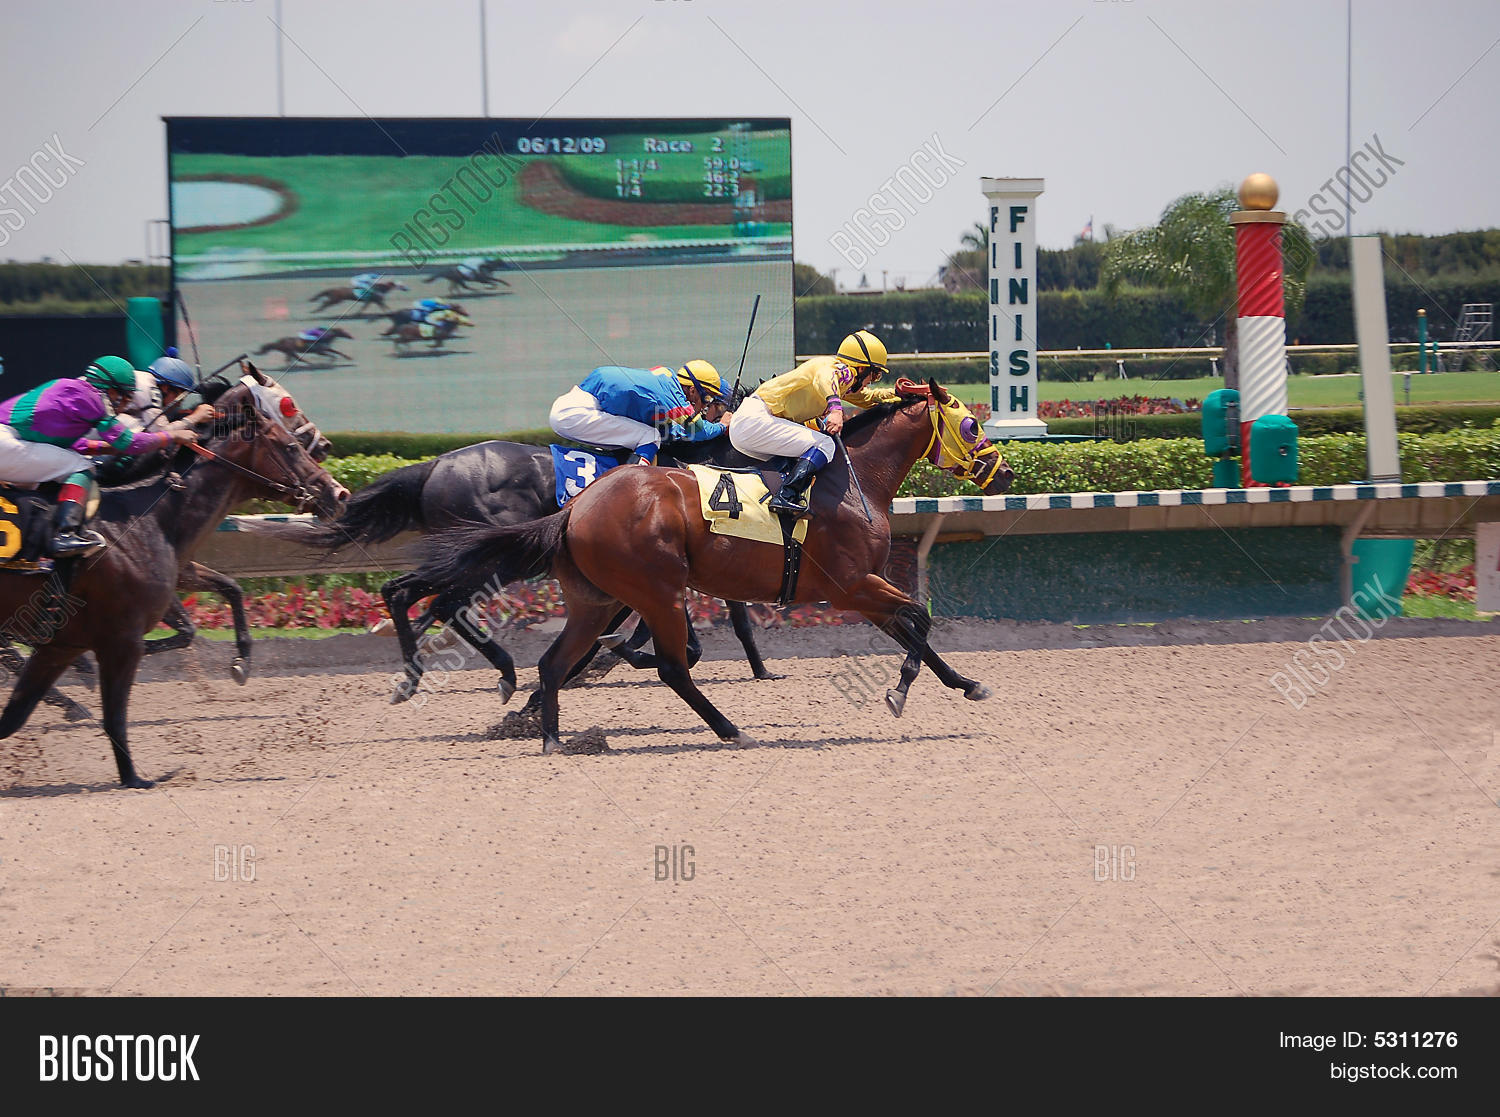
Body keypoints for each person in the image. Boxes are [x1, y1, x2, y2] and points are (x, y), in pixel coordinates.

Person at [0, 355, 198, 558]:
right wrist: (172, 436)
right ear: (111, 390)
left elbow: (74, 444)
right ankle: (64, 535)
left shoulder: (72, 389)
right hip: (5, 443)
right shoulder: (93, 399)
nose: (125, 404)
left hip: (9, 441)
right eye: (126, 397)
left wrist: (107, 448)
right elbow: (128, 442)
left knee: (63, 464)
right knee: (81, 468)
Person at [729, 330, 896, 516]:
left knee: (799, 457)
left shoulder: (842, 382)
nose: (871, 382)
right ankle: (785, 497)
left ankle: (768, 497)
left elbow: (868, 399)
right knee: (825, 444)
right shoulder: (836, 369)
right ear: (861, 368)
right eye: (874, 375)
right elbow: (824, 379)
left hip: (748, 426)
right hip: (756, 420)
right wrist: (835, 409)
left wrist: (899, 393)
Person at [549, 361, 730, 465]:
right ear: (692, 390)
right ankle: (631, 486)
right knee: (649, 437)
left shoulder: (666, 377)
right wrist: (722, 426)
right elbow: (697, 432)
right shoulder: (672, 396)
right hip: (574, 415)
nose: (704, 405)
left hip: (575, 404)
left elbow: (668, 429)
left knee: (643, 434)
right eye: (706, 399)